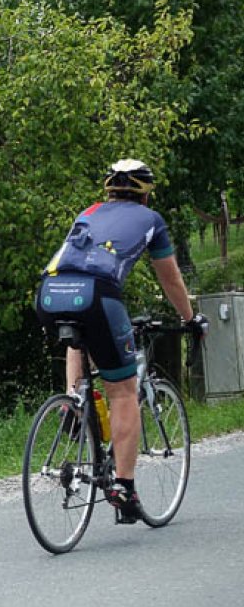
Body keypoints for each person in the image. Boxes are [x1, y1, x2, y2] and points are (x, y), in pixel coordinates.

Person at [35, 159, 208, 523]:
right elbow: (171, 281)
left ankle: (73, 402)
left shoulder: (89, 211)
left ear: (108, 191)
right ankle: (124, 487)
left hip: (50, 292)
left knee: (77, 338)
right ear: (145, 196)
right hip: (97, 293)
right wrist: (190, 319)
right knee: (123, 390)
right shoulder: (152, 221)